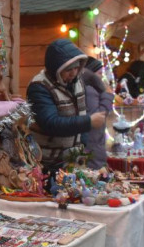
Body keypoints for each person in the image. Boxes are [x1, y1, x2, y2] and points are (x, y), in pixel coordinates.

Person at [27, 39, 106, 174]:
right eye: (68, 69)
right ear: (56, 68)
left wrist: (82, 145)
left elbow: (81, 111)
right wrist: (88, 122)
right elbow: (50, 123)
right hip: (46, 163)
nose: (73, 73)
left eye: (76, 68)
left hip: (72, 160)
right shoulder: (39, 87)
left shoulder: (77, 81)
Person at [80, 57, 114, 169]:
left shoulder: (87, 88)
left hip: (92, 145)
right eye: (99, 73)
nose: (101, 77)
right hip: (92, 146)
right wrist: (108, 95)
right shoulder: (90, 90)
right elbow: (99, 117)